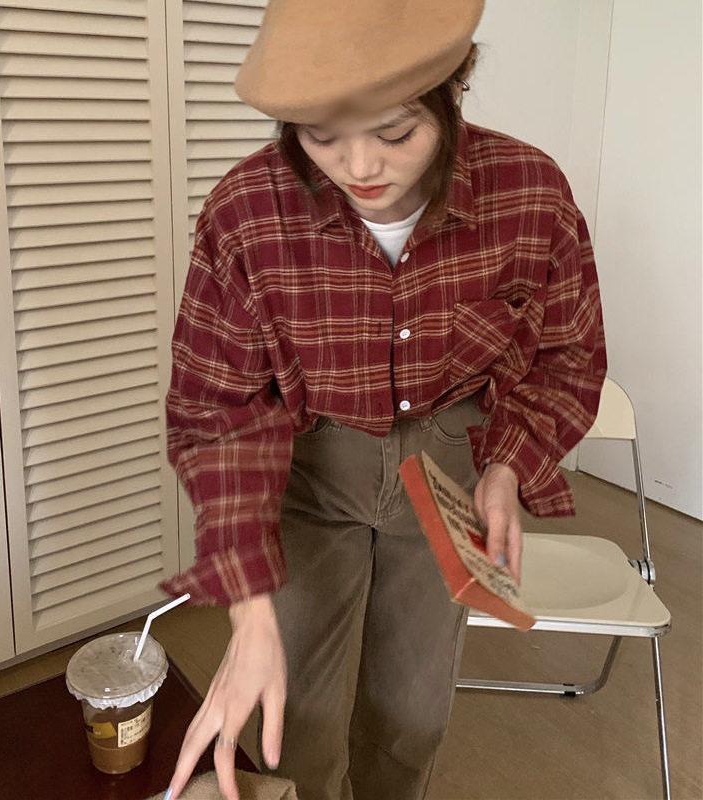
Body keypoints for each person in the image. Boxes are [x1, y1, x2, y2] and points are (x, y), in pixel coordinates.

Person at [158, 2, 607, 798]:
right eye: (320, 134)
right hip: (303, 469)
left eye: (396, 132)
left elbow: (567, 354)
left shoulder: (529, 194)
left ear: (454, 87)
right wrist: (249, 611)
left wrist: (508, 467)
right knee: (290, 717)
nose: (360, 165)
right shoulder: (248, 211)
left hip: (449, 467)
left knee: (413, 712)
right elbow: (216, 411)